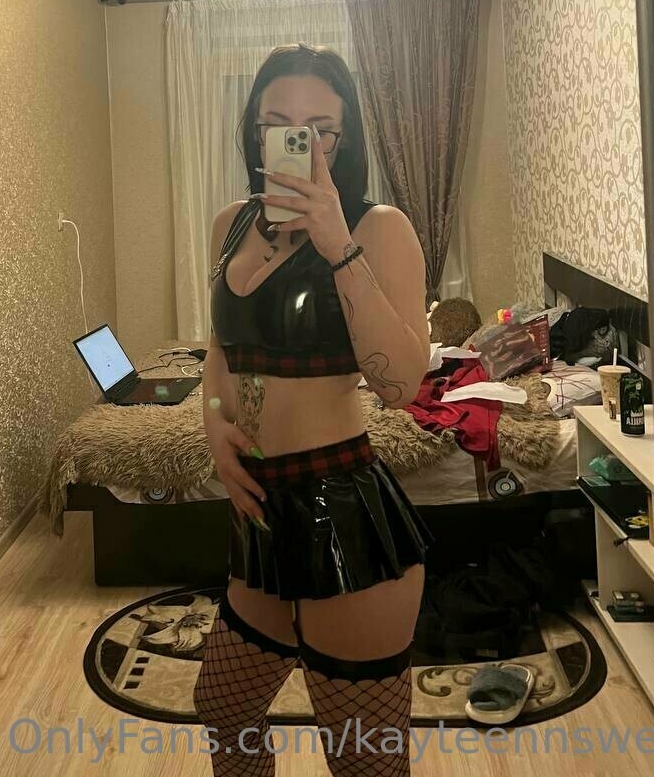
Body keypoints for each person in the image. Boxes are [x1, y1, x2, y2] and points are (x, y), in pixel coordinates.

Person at [193, 42, 433, 777]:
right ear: (254, 131)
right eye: (277, 124)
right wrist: (214, 426)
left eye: (318, 129)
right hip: (260, 510)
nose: (298, 142)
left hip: (343, 510)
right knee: (223, 706)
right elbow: (219, 349)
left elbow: (402, 386)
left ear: (343, 137)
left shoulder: (380, 228)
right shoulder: (232, 224)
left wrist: (336, 244)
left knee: (361, 763)